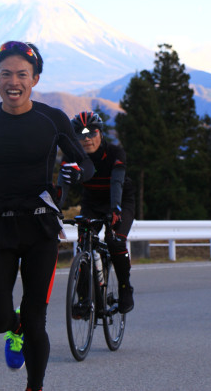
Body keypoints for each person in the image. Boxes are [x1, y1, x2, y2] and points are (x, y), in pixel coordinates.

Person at [0, 41, 94, 391]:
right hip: (0, 225)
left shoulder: (52, 119)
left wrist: (76, 171)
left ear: (35, 79)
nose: (13, 81)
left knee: (36, 321)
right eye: (6, 74)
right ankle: (12, 330)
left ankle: (35, 387)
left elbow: (86, 164)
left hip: (40, 230)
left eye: (22, 74)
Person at [64, 111, 136, 313]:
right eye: (80, 135)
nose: (86, 139)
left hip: (120, 199)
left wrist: (115, 209)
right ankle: (83, 298)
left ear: (100, 134)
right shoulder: (75, 157)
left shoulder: (115, 153)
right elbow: (64, 184)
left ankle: (125, 288)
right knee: (83, 245)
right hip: (92, 202)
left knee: (115, 241)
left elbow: (117, 181)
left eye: (91, 133)